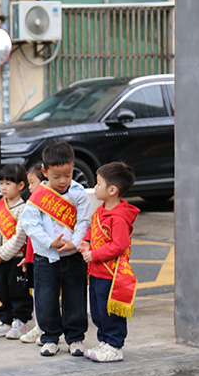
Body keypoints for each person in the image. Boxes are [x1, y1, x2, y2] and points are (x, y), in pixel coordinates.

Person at [20, 142, 92, 357]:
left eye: (68, 175)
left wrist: (76, 241)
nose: (62, 181)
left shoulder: (79, 193)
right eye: (56, 176)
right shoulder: (38, 197)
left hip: (73, 256)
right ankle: (50, 337)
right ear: (45, 172)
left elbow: (84, 220)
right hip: (46, 256)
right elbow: (31, 225)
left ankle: (75, 337)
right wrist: (49, 242)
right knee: (45, 298)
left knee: (76, 297)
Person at [77, 162, 140, 362]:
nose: (95, 187)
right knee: (97, 310)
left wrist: (94, 255)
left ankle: (114, 344)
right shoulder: (101, 210)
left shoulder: (119, 217)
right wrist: (86, 242)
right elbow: (92, 229)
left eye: (98, 184)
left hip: (110, 273)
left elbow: (119, 245)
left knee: (110, 311)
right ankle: (104, 341)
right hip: (96, 271)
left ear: (112, 190)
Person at [0, 164, 33, 339]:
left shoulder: (24, 208)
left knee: (18, 291)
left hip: (15, 258)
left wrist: (2, 254)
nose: (3, 187)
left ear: (21, 185)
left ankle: (20, 321)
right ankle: (5, 320)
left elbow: (20, 236)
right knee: (2, 290)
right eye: (1, 183)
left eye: (8, 183)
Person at [19, 165, 46, 344]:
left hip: (42, 253)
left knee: (45, 293)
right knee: (36, 292)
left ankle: (45, 326)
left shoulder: (47, 203)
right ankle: (39, 325)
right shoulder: (32, 203)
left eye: (32, 183)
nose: (30, 187)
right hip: (32, 253)